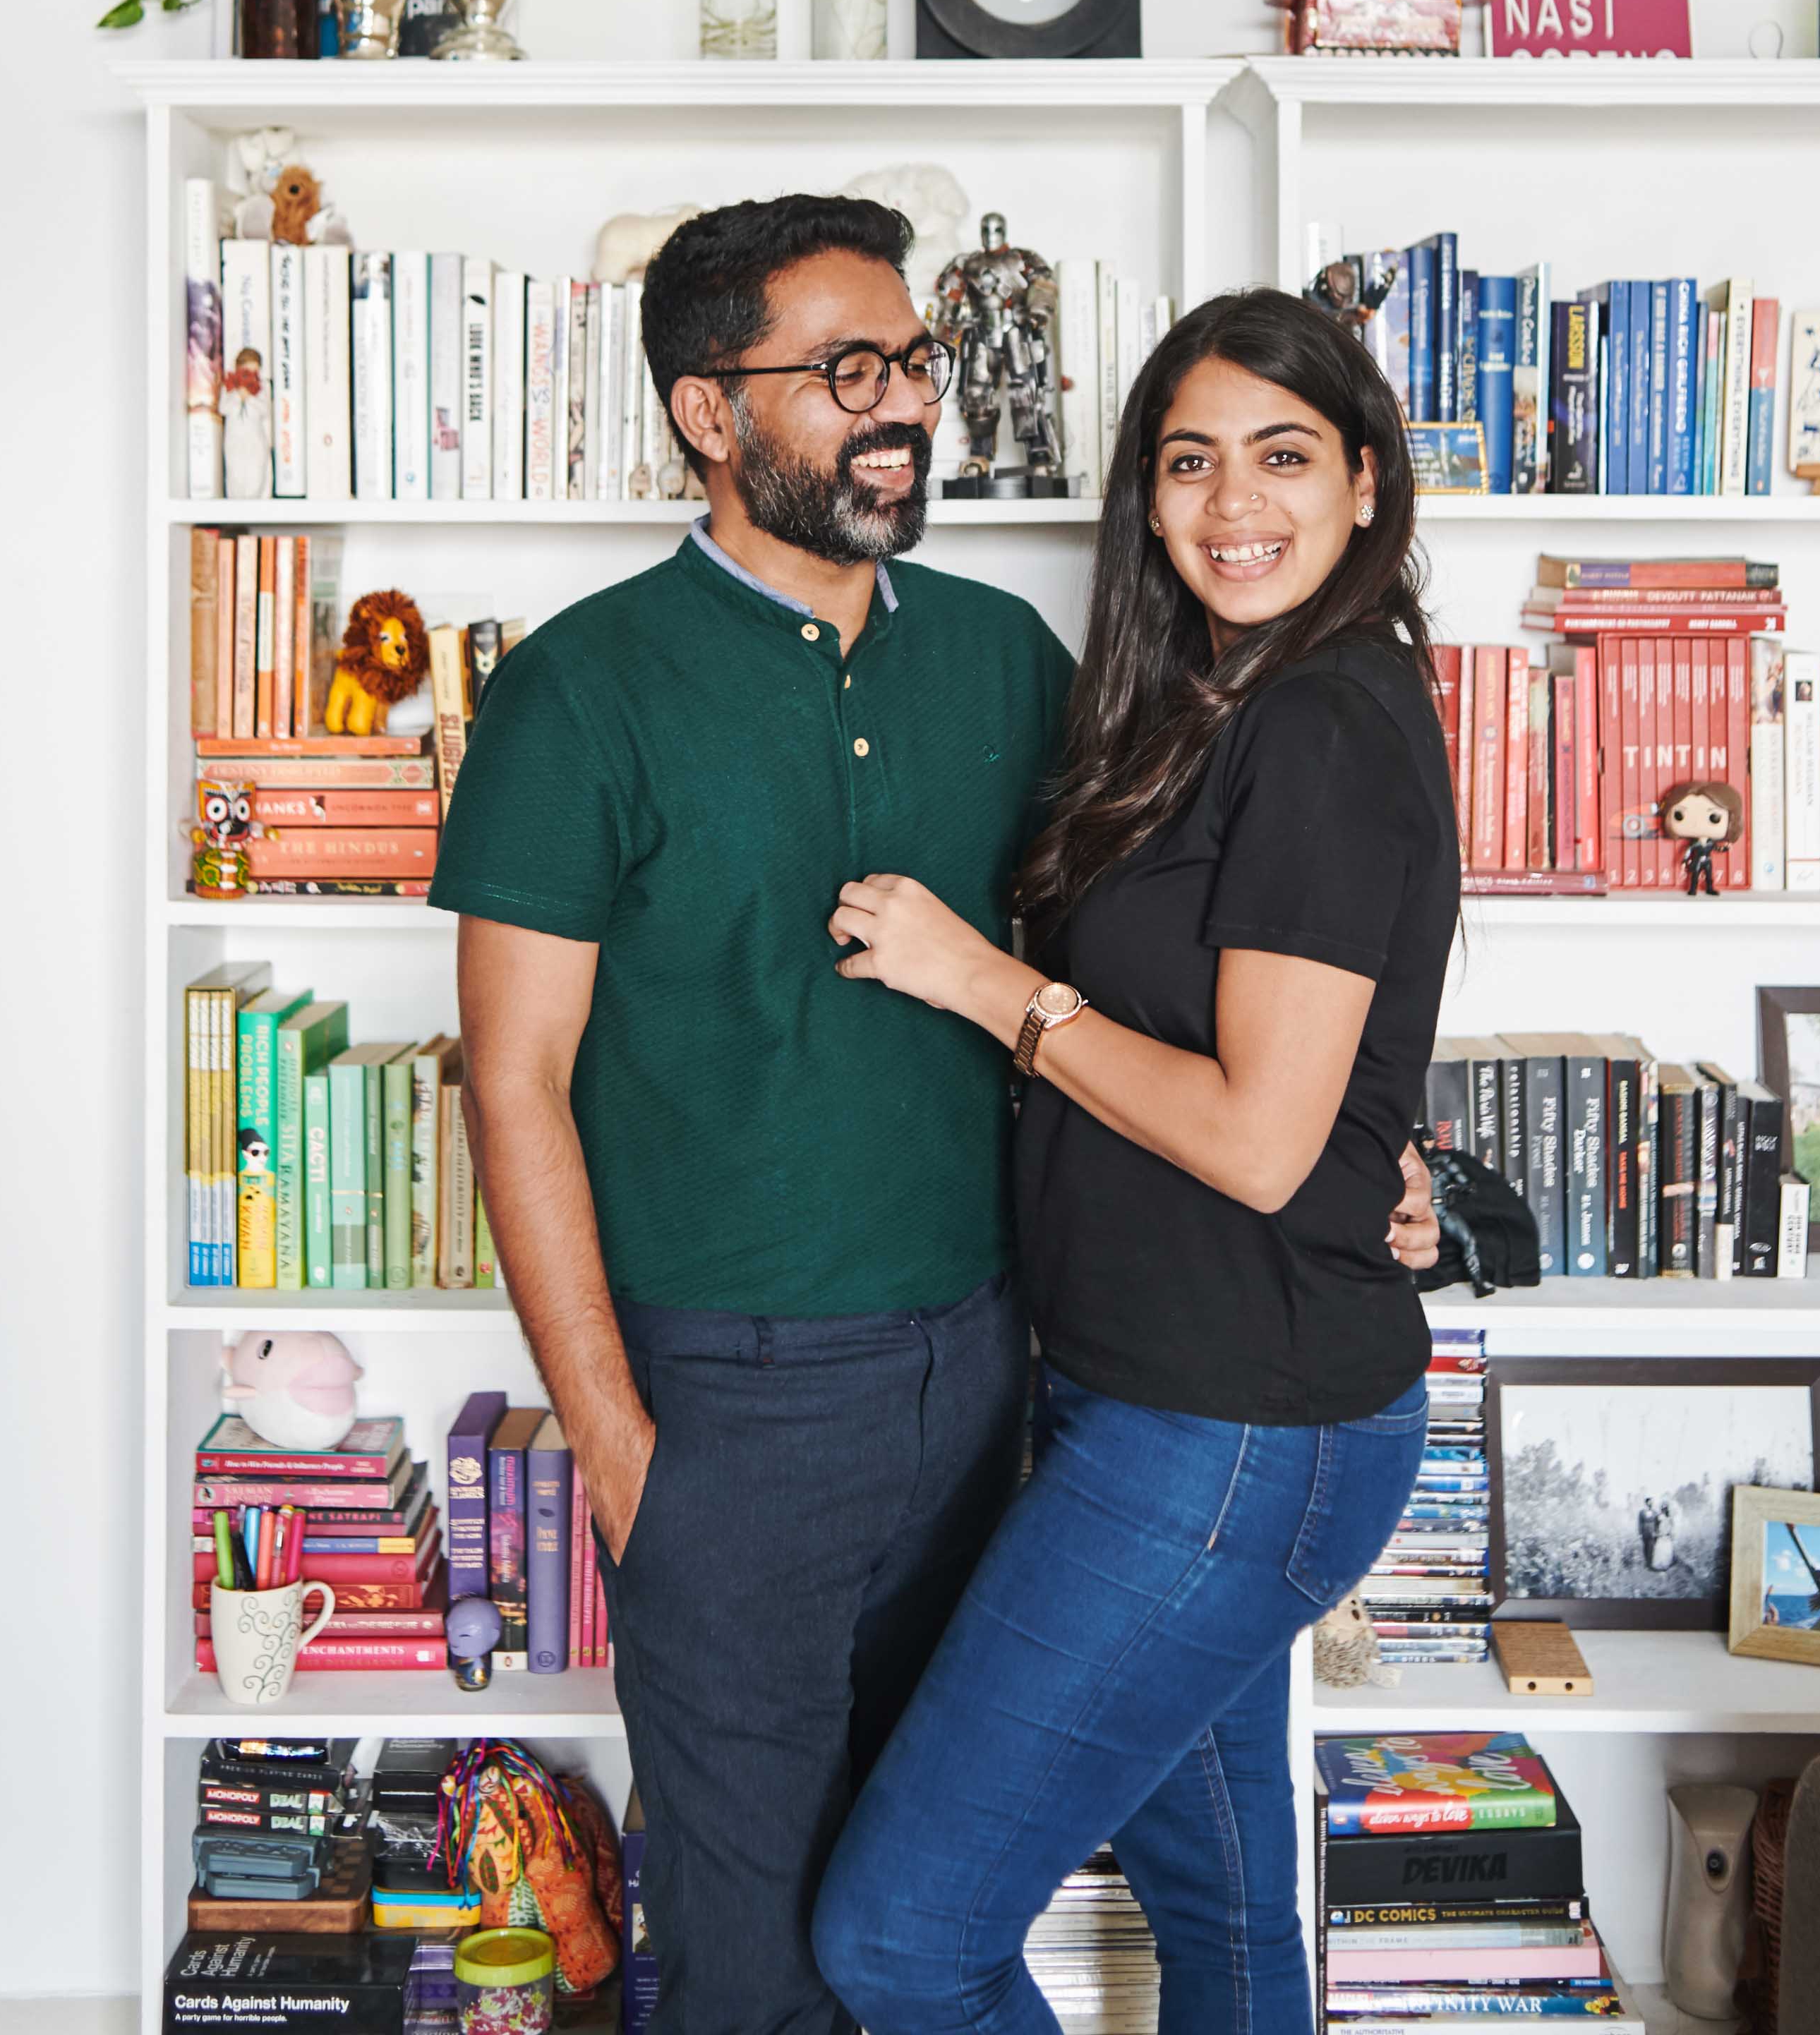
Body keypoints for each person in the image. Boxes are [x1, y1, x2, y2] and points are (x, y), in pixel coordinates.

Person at [428, 207, 1441, 2035]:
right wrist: (613, 1446)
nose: (896, 406)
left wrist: (1375, 1156)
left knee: (910, 1903)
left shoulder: (1009, 663)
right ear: (707, 414)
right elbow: (513, 1079)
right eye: (842, 372)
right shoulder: (578, 689)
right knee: (754, 1954)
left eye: (906, 362)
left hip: (1000, 1380)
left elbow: (1183, 989)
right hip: (728, 1403)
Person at [812, 285, 1463, 2035]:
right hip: (1162, 1397)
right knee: (1226, 1907)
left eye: (1279, 456)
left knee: (897, 1941)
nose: (1228, 503)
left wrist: (989, 985)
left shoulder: (1323, 717)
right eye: (1187, 461)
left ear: (1364, 486)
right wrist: (1385, 1153)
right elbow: (1310, 1059)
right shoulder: (1214, 700)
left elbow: (1256, 1139)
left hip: (1231, 1432)